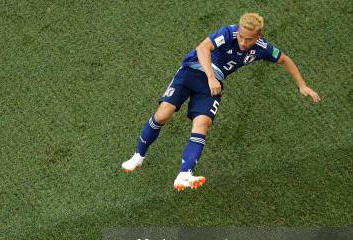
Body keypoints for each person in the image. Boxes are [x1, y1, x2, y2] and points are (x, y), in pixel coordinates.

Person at [121, 12, 321, 190]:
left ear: (258, 36)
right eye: (241, 36)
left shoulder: (263, 48)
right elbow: (202, 48)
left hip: (213, 85)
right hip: (192, 71)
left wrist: (302, 85)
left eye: (248, 39)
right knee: (164, 113)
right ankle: (138, 157)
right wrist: (210, 77)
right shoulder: (228, 33)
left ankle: (184, 174)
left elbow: (285, 59)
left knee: (203, 124)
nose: (242, 42)